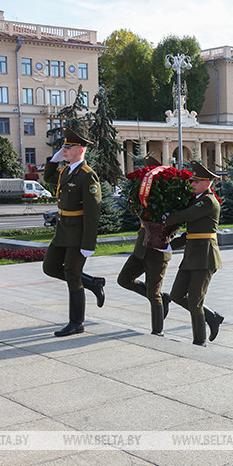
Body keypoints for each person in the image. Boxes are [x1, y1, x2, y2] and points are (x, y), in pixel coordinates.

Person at [42, 127, 105, 337]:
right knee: (50, 267)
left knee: (72, 274)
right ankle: (93, 283)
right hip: (62, 232)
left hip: (78, 235)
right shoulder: (67, 171)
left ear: (80, 149)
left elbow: (93, 212)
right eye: (64, 147)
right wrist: (54, 159)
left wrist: (89, 244)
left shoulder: (87, 176)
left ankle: (76, 322)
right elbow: (48, 177)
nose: (64, 150)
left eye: (68, 147)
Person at [165, 161, 225, 346]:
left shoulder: (207, 201)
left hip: (205, 257)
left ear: (207, 183)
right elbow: (190, 233)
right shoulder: (198, 200)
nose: (192, 184)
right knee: (176, 295)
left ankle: (200, 341)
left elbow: (186, 216)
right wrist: (170, 246)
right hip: (192, 256)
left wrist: (166, 217)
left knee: (195, 301)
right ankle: (212, 317)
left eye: (196, 182)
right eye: (192, 181)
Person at [117, 156, 173, 336]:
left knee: (153, 293)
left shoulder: (170, 195)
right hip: (141, 248)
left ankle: (158, 331)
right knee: (124, 279)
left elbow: (174, 224)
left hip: (157, 250)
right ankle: (162, 298)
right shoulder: (144, 195)